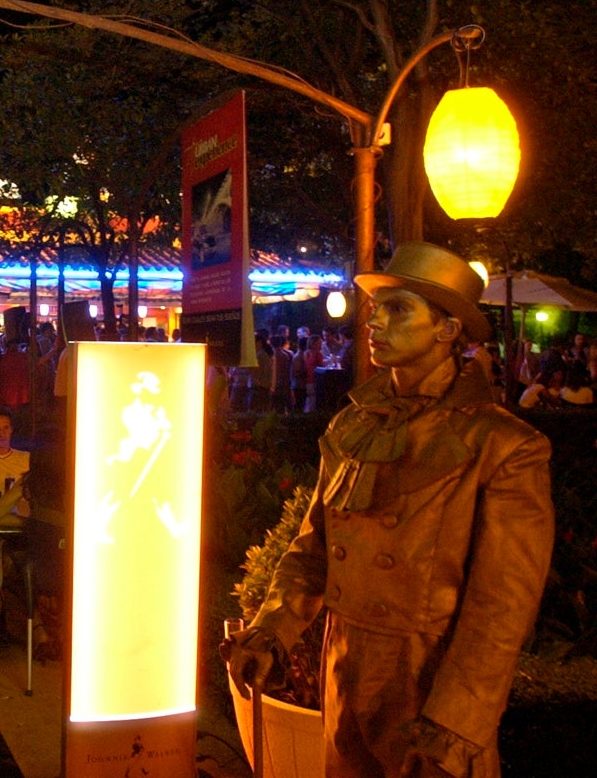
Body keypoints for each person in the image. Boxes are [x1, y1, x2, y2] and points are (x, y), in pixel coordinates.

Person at [223, 242, 553, 778]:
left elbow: (501, 608)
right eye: (376, 308)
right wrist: (271, 630)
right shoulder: (354, 427)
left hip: (426, 688)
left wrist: (456, 723)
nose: (375, 322)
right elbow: (313, 549)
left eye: (399, 309)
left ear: (447, 330)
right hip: (345, 671)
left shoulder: (503, 445)